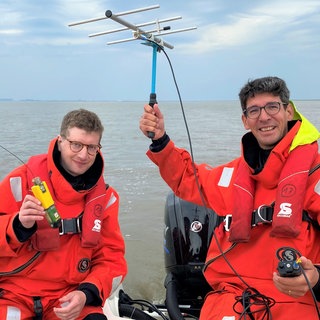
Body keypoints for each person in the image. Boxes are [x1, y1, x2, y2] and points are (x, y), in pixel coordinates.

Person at [139, 76, 320, 319]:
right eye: (254, 110)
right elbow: (185, 178)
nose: (264, 117)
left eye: (272, 107)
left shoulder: (315, 175)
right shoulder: (230, 176)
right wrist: (160, 140)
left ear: (289, 111)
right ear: (245, 121)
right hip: (231, 296)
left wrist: (317, 278)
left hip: (296, 299)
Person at [0, 109, 127, 319]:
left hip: (69, 297)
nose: (83, 155)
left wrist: (86, 294)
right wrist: (16, 225)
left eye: (92, 147)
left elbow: (112, 258)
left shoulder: (107, 198)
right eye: (76, 144)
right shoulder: (18, 181)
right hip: (13, 294)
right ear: (60, 141)